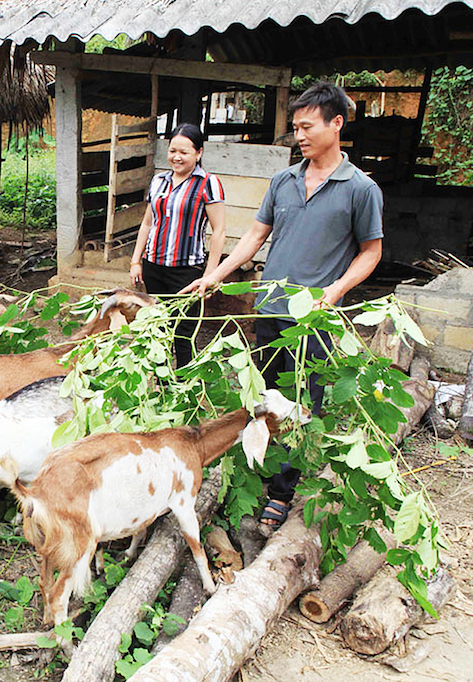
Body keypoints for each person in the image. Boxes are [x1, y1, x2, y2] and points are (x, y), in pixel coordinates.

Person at [181, 82, 384, 531]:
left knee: (299, 402)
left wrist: (335, 291)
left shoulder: (361, 189)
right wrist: (216, 275)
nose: (300, 136)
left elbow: (371, 252)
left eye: (307, 126)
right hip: (268, 311)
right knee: (262, 395)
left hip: (313, 320)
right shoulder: (284, 180)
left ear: (337, 124)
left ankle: (282, 489)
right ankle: (255, 467)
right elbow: (254, 237)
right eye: (295, 128)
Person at [129, 123, 226, 367]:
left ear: (199, 153)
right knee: (158, 330)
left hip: (187, 272)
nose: (177, 157)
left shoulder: (208, 183)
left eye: (184, 152)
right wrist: (136, 260)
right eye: (173, 151)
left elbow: (219, 232)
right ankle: (162, 389)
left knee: (184, 334)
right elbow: (147, 224)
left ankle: (182, 392)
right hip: (154, 267)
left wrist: (210, 275)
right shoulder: (159, 181)